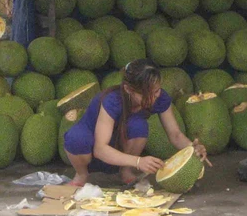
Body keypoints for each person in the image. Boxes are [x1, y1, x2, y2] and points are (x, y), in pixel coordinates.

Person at [63, 59, 208, 187]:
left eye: (156, 91)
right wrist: (138, 162)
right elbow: (100, 149)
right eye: (146, 94)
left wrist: (192, 148)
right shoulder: (112, 100)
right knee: (76, 138)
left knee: (139, 125)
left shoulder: (161, 98)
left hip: (120, 148)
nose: (153, 98)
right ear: (128, 89)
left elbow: (175, 135)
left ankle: (125, 171)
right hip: (91, 148)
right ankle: (81, 175)